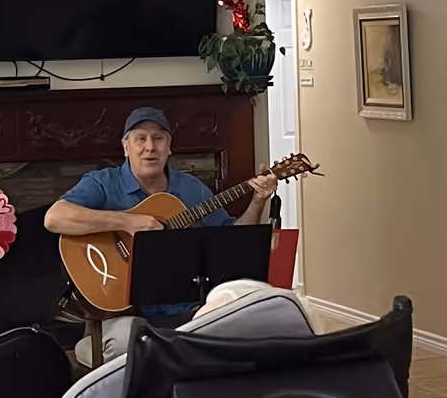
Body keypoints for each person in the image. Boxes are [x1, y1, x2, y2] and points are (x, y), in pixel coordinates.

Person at [45, 105, 278, 357]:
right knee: (123, 343)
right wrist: (127, 222)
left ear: (169, 147)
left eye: (158, 138)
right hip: (129, 314)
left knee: (248, 316)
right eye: (140, 139)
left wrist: (258, 201)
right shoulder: (102, 182)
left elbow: (233, 239)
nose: (150, 147)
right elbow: (55, 218)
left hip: (190, 308)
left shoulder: (191, 188)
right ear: (126, 147)